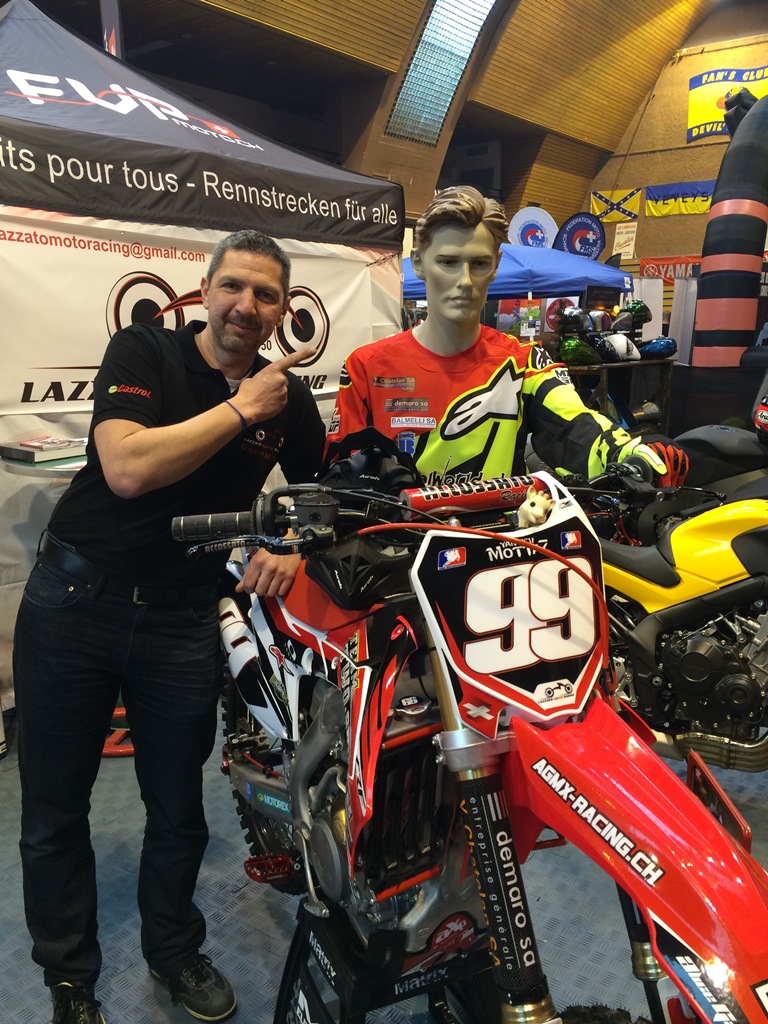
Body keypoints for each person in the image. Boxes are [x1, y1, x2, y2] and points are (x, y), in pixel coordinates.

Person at [14, 229, 325, 1024]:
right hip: (74, 602)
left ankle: (175, 950)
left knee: (178, 807)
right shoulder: (145, 351)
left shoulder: (287, 400)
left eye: (264, 295)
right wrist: (239, 409)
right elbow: (127, 469)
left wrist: (291, 542)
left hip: (183, 618)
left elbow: (318, 494)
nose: (245, 306)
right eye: (233, 286)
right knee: (54, 810)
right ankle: (69, 979)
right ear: (205, 291)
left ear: (281, 311)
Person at [326, 185, 676, 486]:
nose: (464, 281)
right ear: (418, 263)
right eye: (448, 262)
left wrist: (630, 453)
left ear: (495, 265)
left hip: (502, 537)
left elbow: (575, 425)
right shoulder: (366, 366)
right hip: (398, 538)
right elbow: (341, 475)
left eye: (478, 264)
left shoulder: (524, 362)